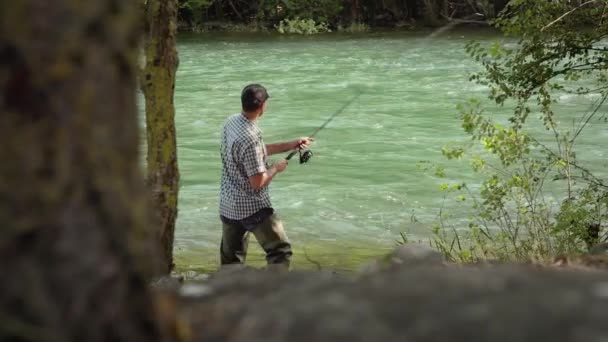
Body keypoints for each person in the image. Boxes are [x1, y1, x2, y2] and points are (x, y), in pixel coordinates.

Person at [219, 84, 312, 269]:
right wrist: (277, 168)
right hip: (252, 207)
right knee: (280, 250)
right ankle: (272, 292)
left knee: (231, 262)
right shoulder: (250, 138)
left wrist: (291, 144)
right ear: (262, 106)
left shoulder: (231, 122)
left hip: (228, 205)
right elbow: (258, 182)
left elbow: (253, 153)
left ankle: (228, 294)